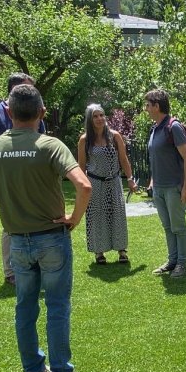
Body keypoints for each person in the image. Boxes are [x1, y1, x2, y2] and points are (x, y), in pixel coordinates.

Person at [0, 84, 95, 372]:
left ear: (9, 113)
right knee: (57, 307)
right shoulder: (49, 144)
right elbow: (84, 186)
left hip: (18, 241)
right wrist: (74, 218)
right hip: (52, 239)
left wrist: (15, 192)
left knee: (25, 307)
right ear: (42, 113)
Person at [0, 72, 46, 286]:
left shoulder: (35, 112)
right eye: (28, 88)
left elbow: (40, 143)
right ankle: (11, 272)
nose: (33, 93)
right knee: (10, 226)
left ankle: (36, 265)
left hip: (32, 179)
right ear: (14, 89)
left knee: (36, 222)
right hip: (7, 181)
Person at [144, 89, 186, 278]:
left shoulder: (174, 127)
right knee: (167, 227)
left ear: (157, 106)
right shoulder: (155, 128)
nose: (146, 109)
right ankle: (172, 261)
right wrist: (152, 180)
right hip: (159, 189)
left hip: (174, 187)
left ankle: (182, 263)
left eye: (148, 105)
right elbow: (156, 157)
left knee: (178, 227)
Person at [77, 103, 135, 265]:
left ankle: (121, 250)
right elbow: (81, 166)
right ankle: (99, 252)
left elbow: (123, 159)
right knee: (96, 216)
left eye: (101, 115)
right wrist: (81, 187)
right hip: (95, 183)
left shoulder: (115, 136)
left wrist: (130, 179)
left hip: (114, 181)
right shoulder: (84, 140)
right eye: (95, 116)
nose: (99, 118)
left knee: (117, 215)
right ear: (90, 119)